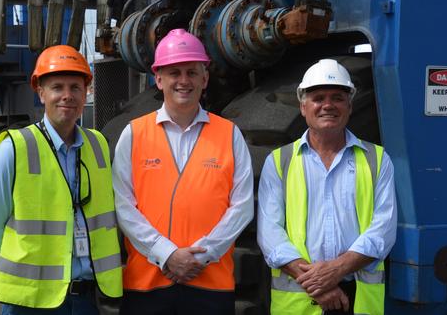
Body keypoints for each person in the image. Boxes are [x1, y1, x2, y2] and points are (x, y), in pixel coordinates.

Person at [112, 28, 254, 315]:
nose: (183, 80)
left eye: (192, 72)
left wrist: (200, 256)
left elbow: (242, 207)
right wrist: (166, 255)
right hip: (147, 283)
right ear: (159, 79)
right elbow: (123, 205)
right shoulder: (134, 133)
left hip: (209, 282)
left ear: (205, 78)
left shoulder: (229, 134)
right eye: (174, 72)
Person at [0, 45, 122, 314]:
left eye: (75, 87)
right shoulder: (13, 149)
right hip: (31, 304)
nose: (67, 96)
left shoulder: (98, 145)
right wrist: (29, 281)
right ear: (41, 92)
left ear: (86, 91)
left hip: (88, 299)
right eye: (57, 87)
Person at [257, 59, 397, 315]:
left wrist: (337, 269)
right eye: (318, 97)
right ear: (303, 106)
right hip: (301, 300)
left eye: (337, 97)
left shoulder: (377, 159)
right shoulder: (279, 162)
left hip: (357, 299)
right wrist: (319, 285)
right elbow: (270, 234)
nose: (328, 105)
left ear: (350, 105)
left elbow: (383, 230)